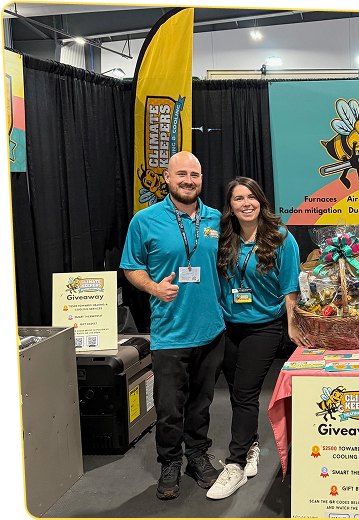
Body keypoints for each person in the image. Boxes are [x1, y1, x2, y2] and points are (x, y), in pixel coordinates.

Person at [120, 151, 224, 499]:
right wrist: (153, 287)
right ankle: (170, 462)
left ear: (201, 180)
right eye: (181, 174)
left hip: (211, 330)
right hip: (169, 333)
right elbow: (131, 266)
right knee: (168, 407)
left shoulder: (216, 218)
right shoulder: (145, 220)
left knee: (201, 403)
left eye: (194, 175)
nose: (188, 181)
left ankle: (197, 455)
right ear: (167, 177)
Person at [206, 177, 306, 500]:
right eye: (238, 198)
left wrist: (292, 327)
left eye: (251, 197)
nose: (246, 203)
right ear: (230, 206)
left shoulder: (280, 238)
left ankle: (235, 464)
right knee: (237, 393)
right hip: (228, 326)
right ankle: (250, 446)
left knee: (246, 392)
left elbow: (290, 288)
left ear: (261, 202)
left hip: (264, 328)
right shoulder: (223, 237)